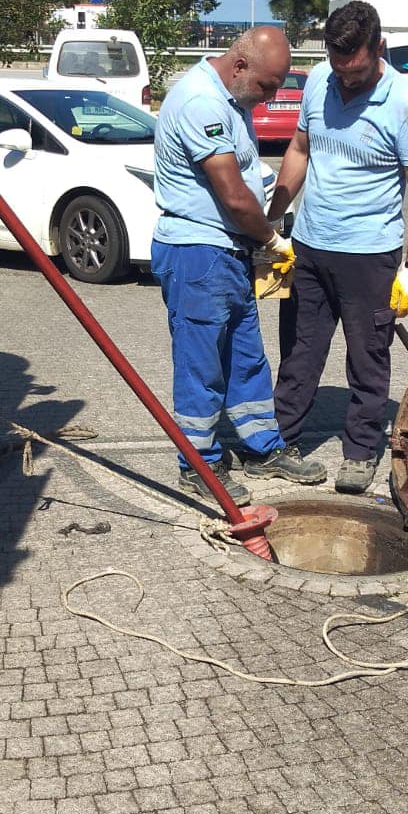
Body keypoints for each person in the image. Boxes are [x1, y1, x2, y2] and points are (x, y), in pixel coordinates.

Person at [267, 0, 408, 494]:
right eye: (339, 69)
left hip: (370, 255)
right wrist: (272, 217)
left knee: (367, 358)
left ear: (378, 48)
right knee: (299, 352)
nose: (345, 80)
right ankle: (282, 441)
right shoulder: (320, 80)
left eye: (356, 71)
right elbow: (300, 149)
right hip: (310, 247)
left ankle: (361, 451)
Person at [151, 27, 328, 500]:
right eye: (268, 86)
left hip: (228, 251)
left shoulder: (234, 100)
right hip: (197, 253)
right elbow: (232, 195)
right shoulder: (201, 102)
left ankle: (262, 448)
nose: (270, 97)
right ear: (240, 66)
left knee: (246, 357)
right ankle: (199, 465)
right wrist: (271, 239)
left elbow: (248, 174)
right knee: (201, 365)